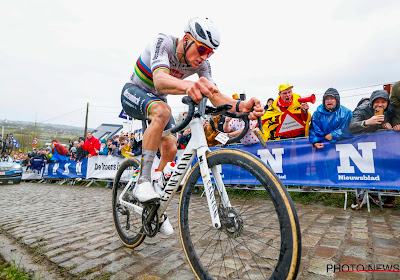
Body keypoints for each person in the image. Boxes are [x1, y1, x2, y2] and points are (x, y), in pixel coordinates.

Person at [120, 17, 263, 235]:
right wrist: (190, 86)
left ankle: (154, 204)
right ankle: (143, 182)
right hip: (134, 91)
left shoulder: (203, 63)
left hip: (158, 100)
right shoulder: (164, 42)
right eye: (202, 49)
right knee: (162, 111)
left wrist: (242, 106)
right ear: (187, 39)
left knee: (171, 147)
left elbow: (215, 96)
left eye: (210, 53)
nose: (204, 57)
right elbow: (159, 80)